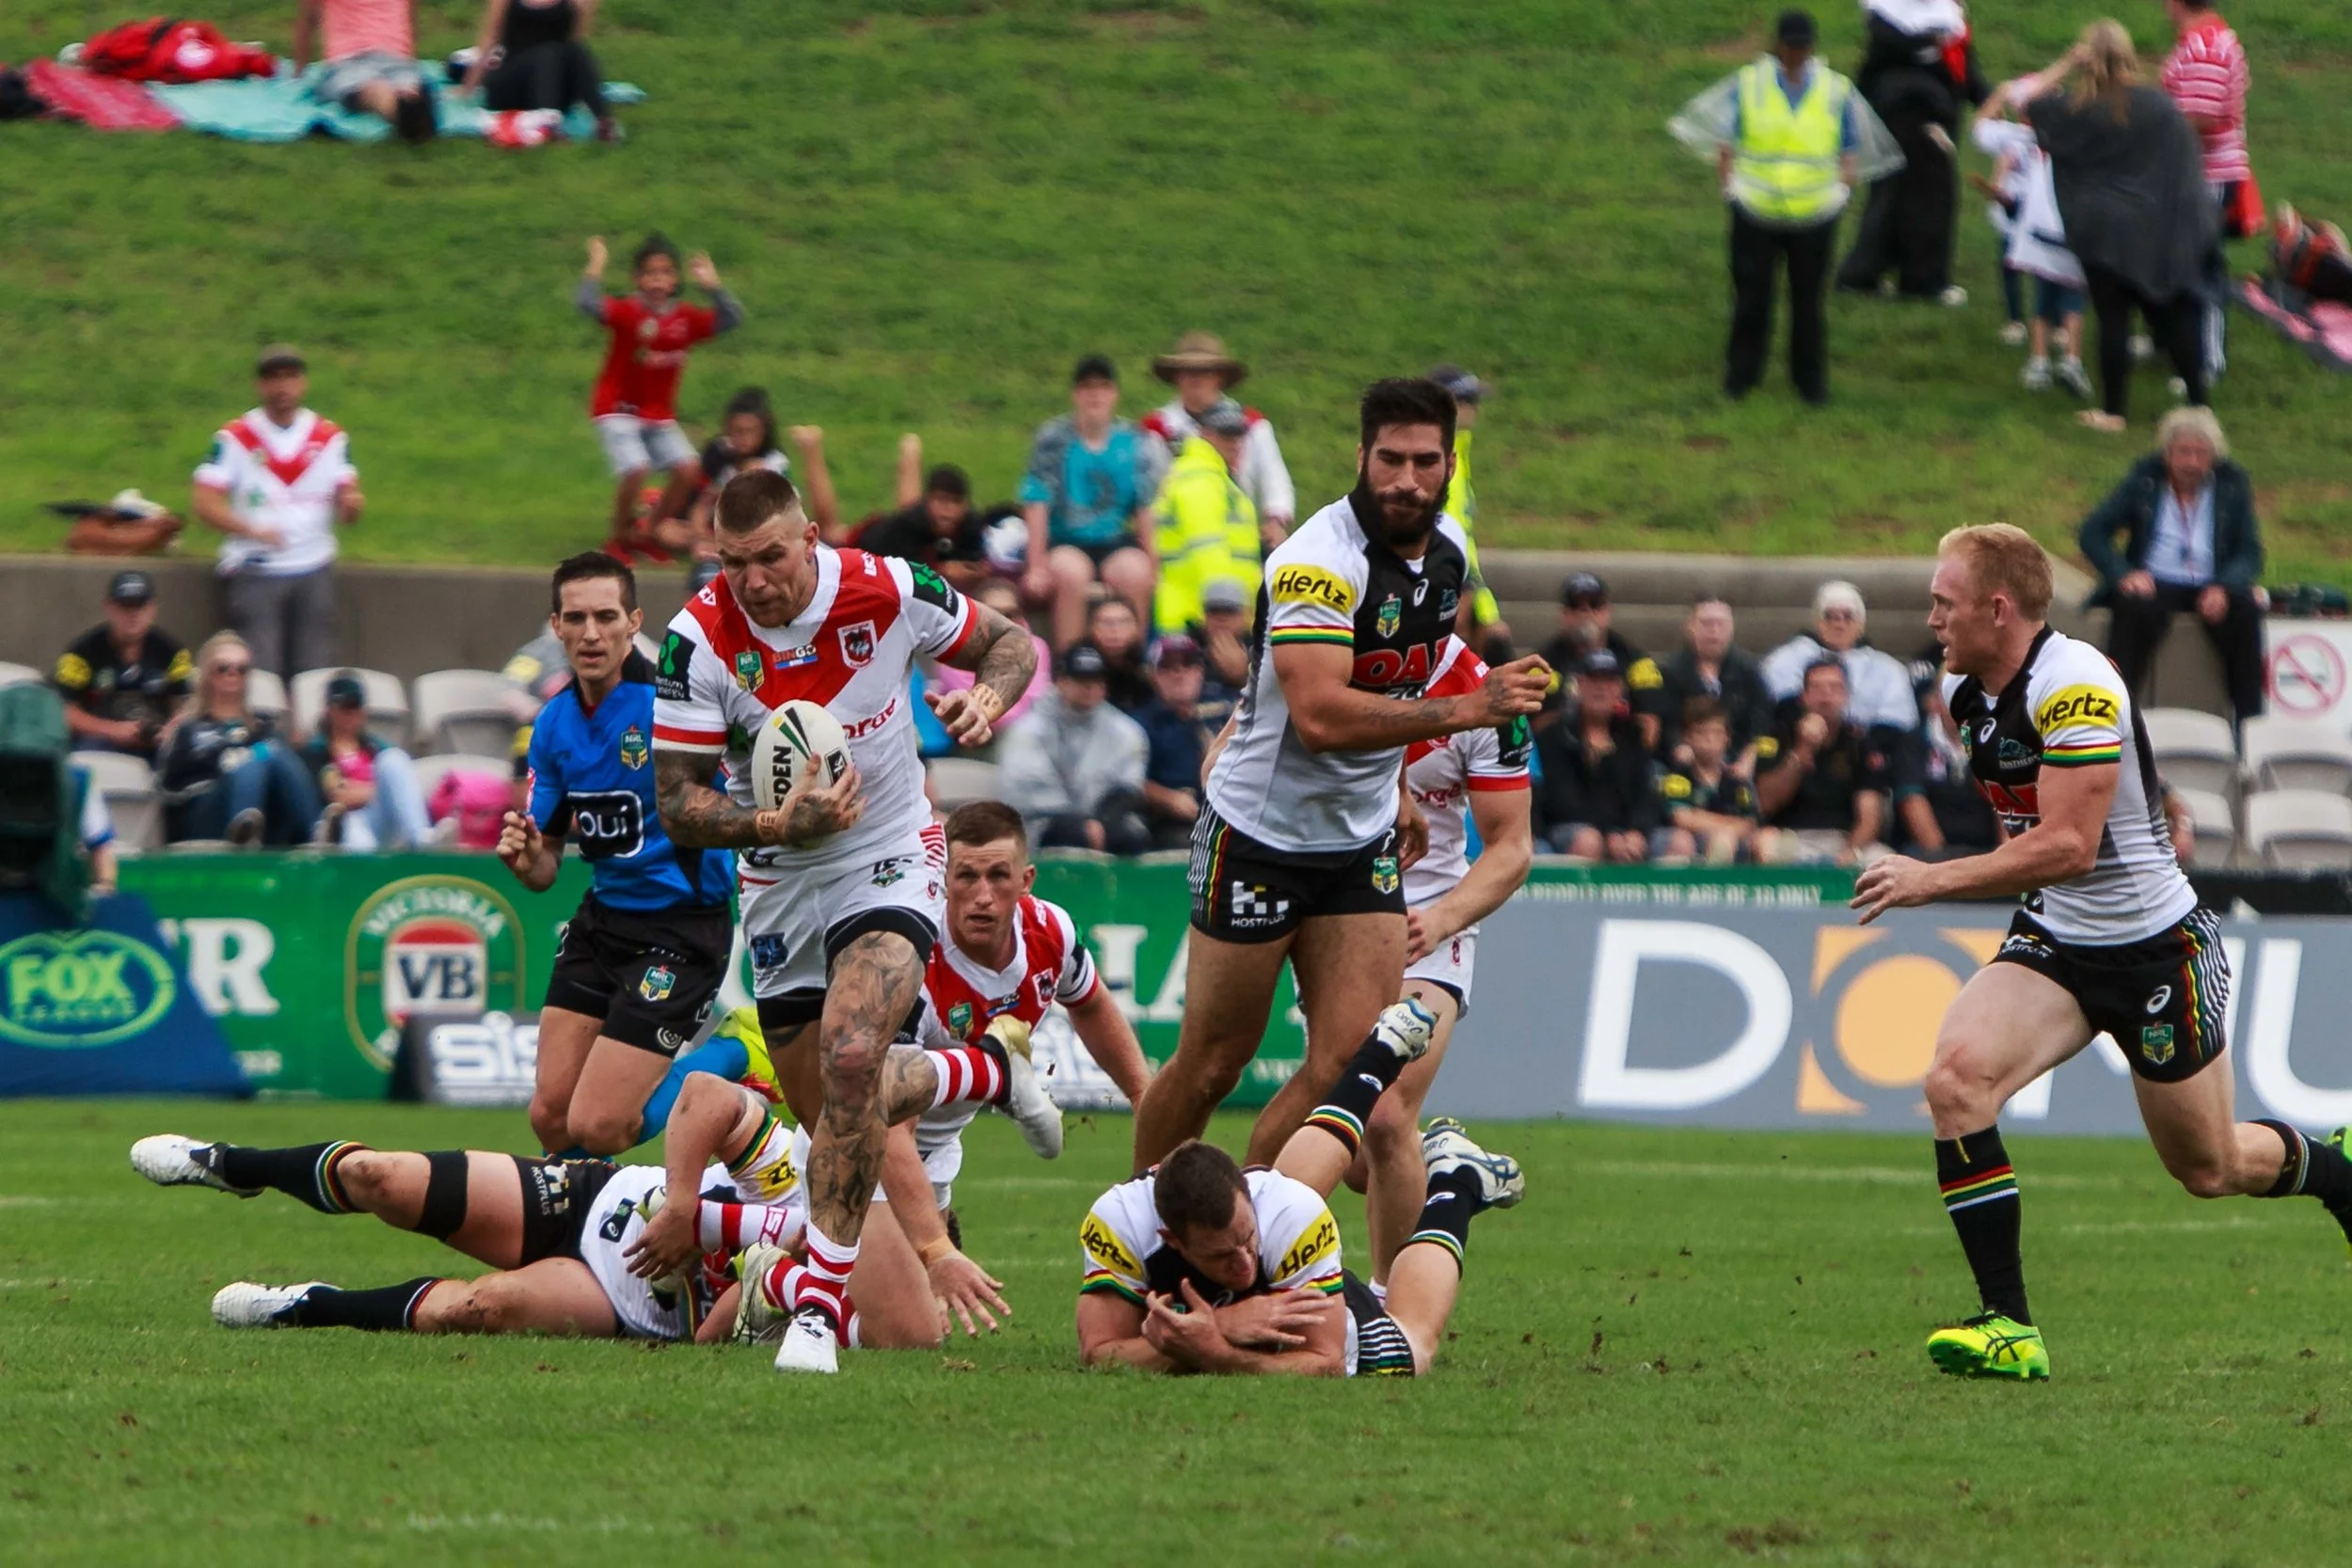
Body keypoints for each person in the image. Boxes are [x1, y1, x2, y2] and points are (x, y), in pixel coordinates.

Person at [1851, 523, 2352, 1383]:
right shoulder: (1961, 688)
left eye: (1946, 600)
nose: (1933, 617)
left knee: (2211, 1168)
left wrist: (1932, 880)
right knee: (1956, 1080)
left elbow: (2072, 845)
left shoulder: (2077, 683)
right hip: (2058, 938)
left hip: (2157, 950)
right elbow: (2034, 839)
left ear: (1997, 608)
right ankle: (2008, 1325)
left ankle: (2339, 1172)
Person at [651, 467, 1037, 1375]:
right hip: (781, 878)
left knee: (855, 1048)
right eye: (734, 561)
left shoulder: (889, 587)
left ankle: (815, 1312)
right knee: (832, 1111)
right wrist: (775, 824)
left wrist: (988, 694)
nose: (754, 579)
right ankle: (979, 1072)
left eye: (772, 556)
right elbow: (676, 800)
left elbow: (1009, 643)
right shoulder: (697, 638)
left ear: (812, 536)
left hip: (891, 854)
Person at [1131, 378, 1550, 1173]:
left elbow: (1394, 680)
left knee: (1348, 1065)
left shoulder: (1452, 550)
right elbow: (1321, 716)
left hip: (1359, 842)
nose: (1405, 478)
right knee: (1214, 1062)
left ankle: (1248, 1220)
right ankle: (1134, 1223)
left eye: (1425, 461)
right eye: (1388, 458)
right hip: (1259, 834)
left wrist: (1392, 784)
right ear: (1360, 456)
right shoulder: (1314, 563)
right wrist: (1468, 709)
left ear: (1448, 463)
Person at [123, 1029, 1025, 1348]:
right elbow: (709, 1098)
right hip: (600, 1201)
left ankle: (304, 1307)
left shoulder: (850, 1317)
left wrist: (725, 1292)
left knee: (476, 1309)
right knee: (378, 1177)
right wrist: (681, 1207)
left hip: (632, 1300)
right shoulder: (805, 1178)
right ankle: (229, 1162)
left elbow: (723, 1340)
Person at [1078, 1002, 1525, 1377]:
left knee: (1412, 1350)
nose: (1242, 1263)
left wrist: (1215, 1352)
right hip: (1258, 1286)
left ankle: (1457, 1180)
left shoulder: (1282, 1211)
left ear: (1246, 1187)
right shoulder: (1121, 1221)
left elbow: (1325, 1360)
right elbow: (1099, 1355)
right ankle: (1380, 1054)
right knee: (1292, 1196)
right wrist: (1222, 1325)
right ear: (1170, 1239)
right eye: (1220, 1255)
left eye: (1246, 1240)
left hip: (1304, 1301)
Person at [495, 554, 738, 1157]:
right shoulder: (552, 725)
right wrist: (527, 860)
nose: (590, 633)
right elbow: (546, 865)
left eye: (606, 616)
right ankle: (590, 1245)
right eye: (575, 618)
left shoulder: (674, 708)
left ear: (635, 621)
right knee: (552, 1118)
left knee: (600, 1126)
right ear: (555, 627)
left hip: (682, 931)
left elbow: (735, 805)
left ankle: (737, 1054)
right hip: (603, 922)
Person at [891, 802, 1153, 1331]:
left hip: (938, 1157)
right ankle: (757, 1261)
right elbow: (890, 1122)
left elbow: (1093, 1004)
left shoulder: (1050, 931)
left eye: (998, 876)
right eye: (966, 876)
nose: (982, 895)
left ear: (1025, 880)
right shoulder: (910, 954)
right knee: (900, 1330)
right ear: (944, 881)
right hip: (865, 1148)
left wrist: (1147, 1098)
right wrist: (937, 1249)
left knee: (926, 1327)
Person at [1366, 636, 1533, 1285]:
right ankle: (1453, 1170)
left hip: (1428, 923)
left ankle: (1388, 1303)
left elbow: (1511, 847)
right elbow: (1224, 761)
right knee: (1355, 1145)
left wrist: (1441, 919)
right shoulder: (1327, 657)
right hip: (1338, 915)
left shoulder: (1488, 693)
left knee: (1383, 1114)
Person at [2006, 23, 2215, 431]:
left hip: (2100, 232)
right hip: (2156, 230)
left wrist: (2066, 63)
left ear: (2088, 57)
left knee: (2113, 317)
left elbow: (2023, 100)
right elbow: (2186, 169)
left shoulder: (2075, 109)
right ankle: (2198, 404)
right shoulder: (2158, 106)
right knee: (2172, 313)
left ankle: (2114, 412)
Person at [1677, 9, 1879, 404]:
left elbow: (1848, 148)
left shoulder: (1834, 89)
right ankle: (1741, 379)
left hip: (1814, 211)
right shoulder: (1750, 84)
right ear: (1778, 45)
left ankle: (1810, 386)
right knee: (1751, 298)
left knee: (1808, 304)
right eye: (1792, 46)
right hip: (1756, 207)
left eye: (1803, 47)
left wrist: (1843, 189)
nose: (1797, 54)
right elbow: (1727, 140)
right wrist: (1729, 186)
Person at [2077, 406, 2264, 726]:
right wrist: (2124, 574)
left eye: (2201, 454)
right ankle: (2114, 726)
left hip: (2211, 583)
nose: (2192, 463)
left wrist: (2226, 585)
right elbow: (2092, 532)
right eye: (2183, 452)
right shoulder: (2144, 479)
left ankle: (2249, 731)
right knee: (2132, 608)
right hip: (2155, 582)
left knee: (2245, 612)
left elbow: (2250, 551)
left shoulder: (2233, 484)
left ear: (2214, 457)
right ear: (2167, 454)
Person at [192, 344, 361, 678]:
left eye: (290, 377)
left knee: (315, 674)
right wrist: (251, 530)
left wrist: (351, 505)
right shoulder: (235, 438)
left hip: (314, 567)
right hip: (257, 569)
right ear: (260, 385)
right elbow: (204, 503)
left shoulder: (330, 438)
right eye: (273, 378)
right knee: (259, 674)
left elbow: (349, 502)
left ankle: (308, 731)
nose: (282, 387)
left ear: (303, 383)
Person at [579, 233, 745, 557]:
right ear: (638, 279)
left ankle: (651, 530)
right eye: (650, 273)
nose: (658, 280)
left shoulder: (685, 318)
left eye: (666, 273)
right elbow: (586, 303)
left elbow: (732, 318)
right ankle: (619, 537)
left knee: (687, 469)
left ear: (675, 279)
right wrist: (596, 264)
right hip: (617, 409)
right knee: (636, 469)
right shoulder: (628, 312)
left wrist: (713, 286)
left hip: (658, 414)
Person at [1836, 0, 1987, 305]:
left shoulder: (1947, 19)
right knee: (1929, 197)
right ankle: (1922, 281)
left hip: (1923, 112)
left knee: (1894, 195)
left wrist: (1989, 100)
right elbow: (1894, 57)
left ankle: (1863, 275)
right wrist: (1930, 48)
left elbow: (1963, 66)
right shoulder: (1892, 19)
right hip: (1912, 112)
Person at [1018, 355, 1158, 650]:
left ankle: (1134, 660)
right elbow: (1037, 501)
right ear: (1076, 394)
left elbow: (1144, 506)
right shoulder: (1054, 438)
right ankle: (1071, 659)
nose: (1095, 395)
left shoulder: (1133, 440)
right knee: (1071, 573)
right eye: (1087, 388)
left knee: (1135, 571)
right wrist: (1036, 565)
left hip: (1114, 539)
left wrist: (1154, 564)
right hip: (1067, 539)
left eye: (1103, 387)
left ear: (1114, 394)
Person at [1972, 96, 2092, 397]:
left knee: (2041, 301)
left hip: (2039, 238)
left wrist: (2000, 193)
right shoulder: (2082, 154)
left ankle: (2038, 362)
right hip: (2074, 238)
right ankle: (2071, 360)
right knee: (2074, 301)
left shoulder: (2034, 155)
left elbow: (2016, 201)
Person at [154, 632, 323, 847]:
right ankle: (244, 835)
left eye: (241, 669)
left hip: (265, 813)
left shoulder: (263, 728)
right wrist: (227, 764)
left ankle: (315, 836)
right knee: (255, 761)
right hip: (204, 812)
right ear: (208, 674)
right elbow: (170, 790)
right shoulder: (188, 728)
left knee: (276, 753)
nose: (232, 674)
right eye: (223, 668)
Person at [2159, 0, 2252, 383]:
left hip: (2206, 176)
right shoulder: (2206, 39)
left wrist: (2155, 126)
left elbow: (2202, 116)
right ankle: (2176, 343)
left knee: (2200, 268)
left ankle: (2204, 360)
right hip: (2199, 174)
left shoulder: (2206, 46)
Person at [996, 643, 1151, 855]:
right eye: (1080, 679)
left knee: (1130, 836)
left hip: (1104, 818)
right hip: (1044, 822)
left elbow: (1127, 787)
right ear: (1061, 681)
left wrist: (1100, 822)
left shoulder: (1126, 730)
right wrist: (1082, 823)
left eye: (1095, 680)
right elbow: (1028, 791)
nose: (1088, 687)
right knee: (1073, 835)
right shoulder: (1027, 729)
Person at [1141, 332, 1296, 538]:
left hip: (1238, 533)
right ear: (1176, 377)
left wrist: (1275, 522)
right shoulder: (1155, 429)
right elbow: (1145, 491)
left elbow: (1274, 477)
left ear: (1220, 377)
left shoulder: (1252, 425)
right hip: (1176, 536)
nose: (1196, 378)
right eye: (1187, 371)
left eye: (1205, 371)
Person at [1755, 658, 1890, 863]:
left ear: (1846, 696)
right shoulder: (1776, 737)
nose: (1826, 697)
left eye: (1834, 688)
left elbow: (1869, 817)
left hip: (1842, 839)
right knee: (1765, 844)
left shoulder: (1860, 743)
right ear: (1803, 696)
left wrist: (1849, 853)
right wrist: (1802, 750)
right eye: (1817, 688)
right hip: (1789, 836)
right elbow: (1765, 803)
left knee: (1884, 860)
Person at [1150, 398, 1261, 638]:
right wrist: (1231, 610)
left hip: (1205, 614)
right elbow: (1208, 551)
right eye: (1225, 435)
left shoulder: (1214, 476)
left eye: (1238, 435)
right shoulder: (1200, 480)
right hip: (1199, 619)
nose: (1235, 443)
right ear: (1205, 435)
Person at [1533, 650, 1660, 862]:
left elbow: (1646, 795)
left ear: (1620, 689)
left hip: (1624, 831)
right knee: (1589, 840)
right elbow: (1559, 802)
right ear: (1579, 685)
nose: (1601, 689)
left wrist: (1637, 831)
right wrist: (1608, 834)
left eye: (1609, 682)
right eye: (1593, 681)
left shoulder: (1633, 736)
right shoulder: (1554, 736)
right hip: (1566, 830)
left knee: (1678, 842)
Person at [51, 570, 191, 758]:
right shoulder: (81, 653)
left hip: (158, 742)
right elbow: (62, 710)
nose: (133, 614)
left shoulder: (173, 652)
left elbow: (188, 705)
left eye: (140, 606)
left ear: (153, 609)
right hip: (99, 741)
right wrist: (113, 730)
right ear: (108, 607)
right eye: (125, 606)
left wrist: (170, 730)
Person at [1759, 579, 1922, 736]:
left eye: (1848, 616)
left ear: (1861, 625)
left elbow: (1898, 721)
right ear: (1817, 621)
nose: (1838, 624)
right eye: (1829, 616)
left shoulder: (1889, 669)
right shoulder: (1785, 659)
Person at [1426, 365, 1509, 654]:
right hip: (1446, 581)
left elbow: (1463, 532)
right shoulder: (1433, 459)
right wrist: (1465, 587)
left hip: (1462, 578)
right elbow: (1439, 529)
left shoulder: (1458, 452)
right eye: (1466, 401)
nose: (1474, 408)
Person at [301, 672, 434, 849]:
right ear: (329, 710)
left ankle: (423, 840)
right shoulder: (316, 751)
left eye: (354, 706)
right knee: (360, 841)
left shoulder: (377, 748)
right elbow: (338, 795)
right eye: (342, 707)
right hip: (347, 821)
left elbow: (399, 784)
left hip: (382, 816)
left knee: (394, 759)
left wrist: (363, 789)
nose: (349, 713)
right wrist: (383, 790)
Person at [1536, 572, 1666, 745]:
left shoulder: (1637, 663)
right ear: (1563, 614)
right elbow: (1540, 726)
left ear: (1607, 611)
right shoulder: (1543, 663)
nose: (1586, 612)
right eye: (1575, 605)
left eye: (1594, 604)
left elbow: (1650, 727)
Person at [459, 0, 616, 140]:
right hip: (513, 83)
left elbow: (576, 38)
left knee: (574, 50)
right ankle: (547, 123)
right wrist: (469, 87)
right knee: (546, 53)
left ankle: (603, 120)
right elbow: (490, 38)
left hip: (553, 81)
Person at [1654, 594, 1773, 768]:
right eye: (1706, 623)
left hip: (1737, 759)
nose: (1714, 631)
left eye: (1721, 624)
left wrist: (1748, 758)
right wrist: (1678, 748)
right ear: (1690, 627)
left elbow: (1761, 720)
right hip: (1684, 761)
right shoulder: (1671, 672)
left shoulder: (1749, 671)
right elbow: (1667, 725)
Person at [295, 0, 436, 143]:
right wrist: (410, 58)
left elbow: (308, 21)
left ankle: (398, 110)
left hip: (347, 59)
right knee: (406, 82)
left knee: (369, 90)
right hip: (395, 56)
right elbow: (411, 18)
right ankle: (411, 101)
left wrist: (299, 70)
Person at [927, 581, 1052, 733]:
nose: (1004, 620)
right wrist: (987, 715)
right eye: (996, 613)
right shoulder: (955, 644)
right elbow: (963, 694)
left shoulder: (1037, 646)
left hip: (1015, 729)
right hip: (962, 727)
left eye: (1011, 613)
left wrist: (991, 715)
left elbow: (1034, 698)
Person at [1656, 698, 1764, 863]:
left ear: (1727, 738)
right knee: (1720, 840)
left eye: (1716, 733)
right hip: (1688, 841)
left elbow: (1749, 822)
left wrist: (1704, 818)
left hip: (1733, 840)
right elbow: (1682, 818)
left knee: (1768, 839)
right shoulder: (1677, 776)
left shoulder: (1737, 780)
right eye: (1701, 733)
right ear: (1687, 737)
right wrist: (1729, 826)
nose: (1709, 739)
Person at [1135, 634, 1216, 849]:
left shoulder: (1226, 712)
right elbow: (1126, 780)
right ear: (1153, 675)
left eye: (1188, 664)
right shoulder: (1139, 724)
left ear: (1201, 672)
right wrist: (1167, 798)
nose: (1179, 673)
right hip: (1169, 822)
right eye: (1167, 667)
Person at [685, 388, 790, 553]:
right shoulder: (720, 459)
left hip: (762, 529)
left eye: (749, 431)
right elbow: (702, 505)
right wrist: (700, 534)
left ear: (764, 432)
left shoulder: (773, 462)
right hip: (719, 528)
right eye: (737, 431)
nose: (743, 438)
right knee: (668, 531)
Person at [1085, 596, 1154, 715]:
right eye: (1106, 623)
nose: (1115, 629)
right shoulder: (1079, 664)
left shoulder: (1151, 666)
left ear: (1137, 628)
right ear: (1091, 628)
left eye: (1123, 622)